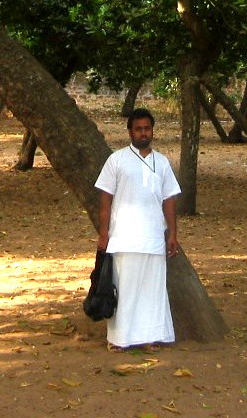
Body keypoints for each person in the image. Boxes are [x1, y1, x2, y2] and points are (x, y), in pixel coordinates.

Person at [95, 107, 181, 351]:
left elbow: (169, 200)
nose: (143, 133)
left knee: (151, 291)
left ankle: (148, 338)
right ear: (130, 132)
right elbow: (105, 200)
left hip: (154, 238)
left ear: (152, 130)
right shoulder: (117, 160)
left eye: (147, 128)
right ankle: (118, 340)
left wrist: (172, 234)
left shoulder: (162, 162)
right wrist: (104, 234)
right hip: (123, 237)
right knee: (125, 291)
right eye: (138, 129)